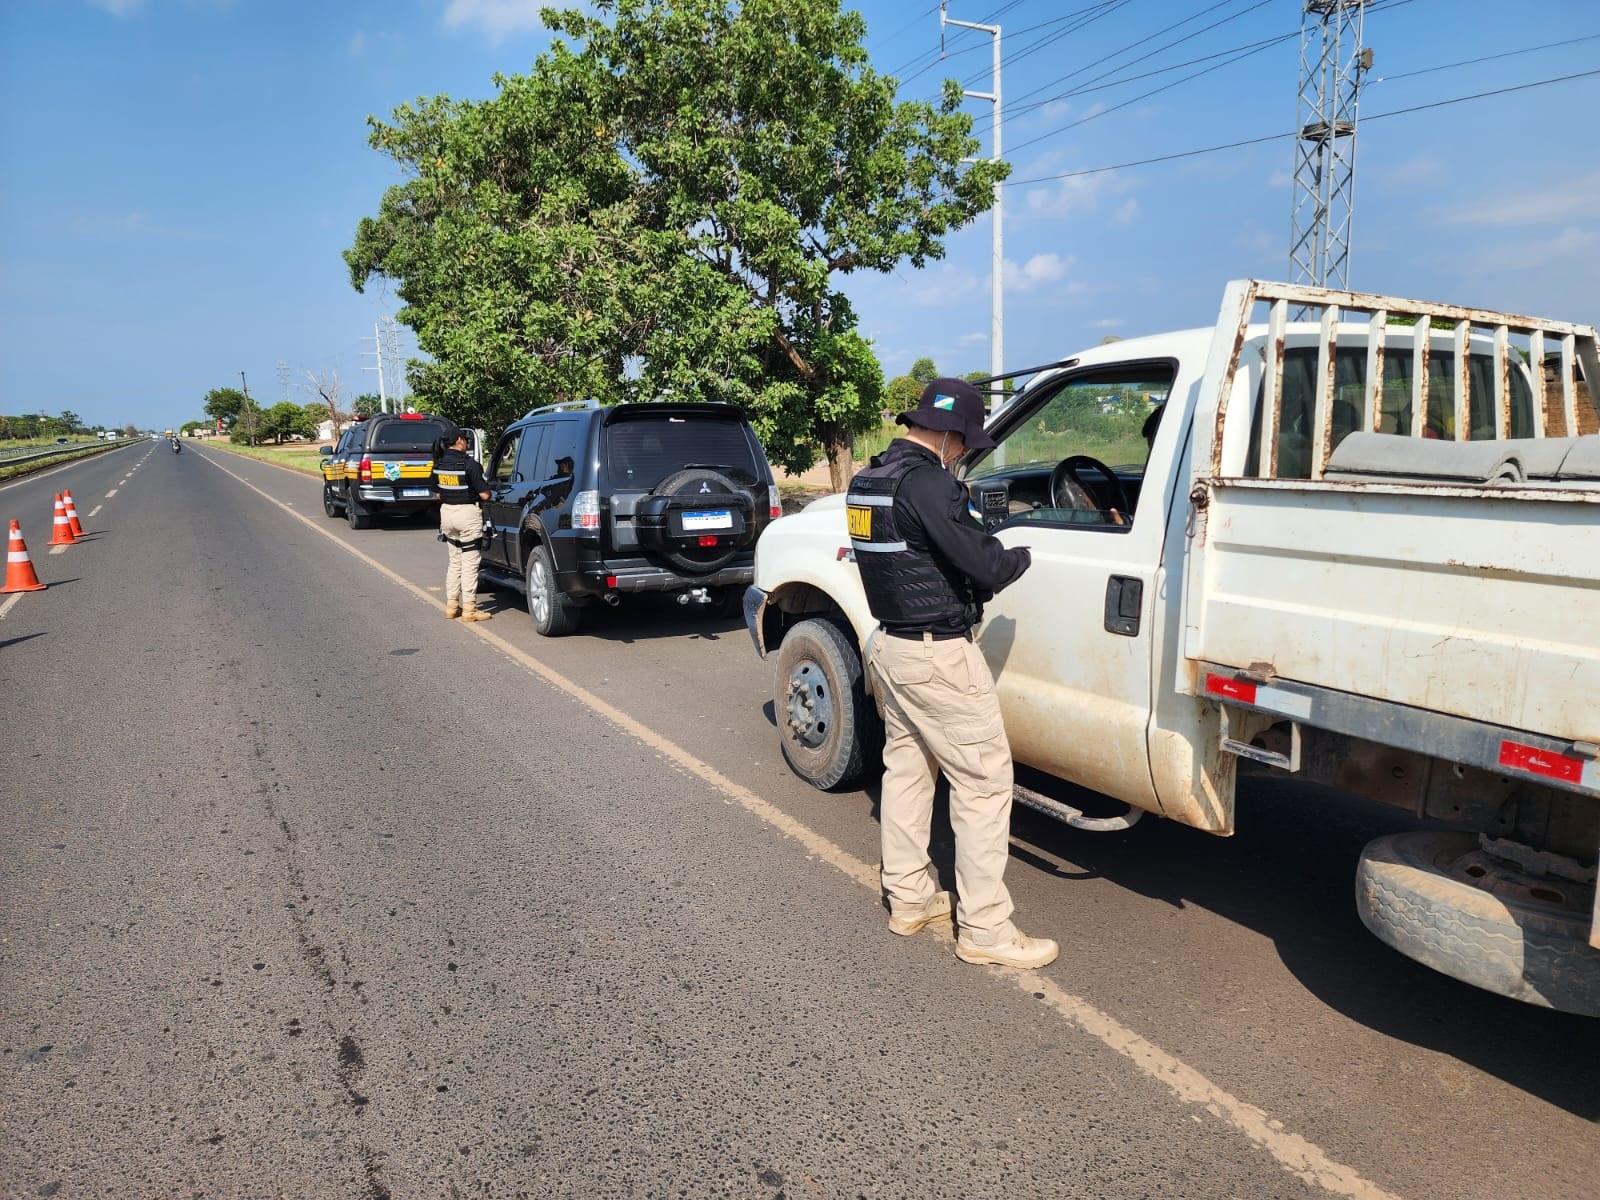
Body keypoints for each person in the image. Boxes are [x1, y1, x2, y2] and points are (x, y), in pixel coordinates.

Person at [847, 377, 1057, 970]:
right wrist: (1022, 553)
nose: (965, 452)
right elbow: (983, 565)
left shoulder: (869, 482)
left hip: (890, 645)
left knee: (909, 770)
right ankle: (986, 929)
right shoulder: (931, 484)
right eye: (964, 441)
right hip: (938, 655)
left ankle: (910, 899)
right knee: (984, 782)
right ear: (948, 435)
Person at [433, 428, 491, 622]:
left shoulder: (439, 464)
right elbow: (485, 495)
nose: (466, 443)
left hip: (447, 514)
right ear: (459, 441)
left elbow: (438, 493)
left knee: (454, 561)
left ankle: (451, 606)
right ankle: (469, 610)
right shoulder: (470, 465)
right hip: (467, 514)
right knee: (470, 563)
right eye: (465, 440)